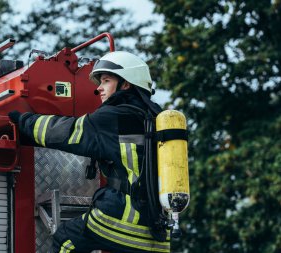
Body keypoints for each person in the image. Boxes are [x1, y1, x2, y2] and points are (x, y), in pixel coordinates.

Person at [9, 51, 170, 252]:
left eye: (106, 81)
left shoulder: (113, 116)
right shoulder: (156, 120)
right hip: (159, 232)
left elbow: (66, 132)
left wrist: (23, 121)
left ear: (126, 84)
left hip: (124, 217)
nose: (99, 88)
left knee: (65, 239)